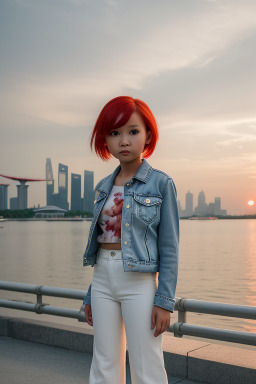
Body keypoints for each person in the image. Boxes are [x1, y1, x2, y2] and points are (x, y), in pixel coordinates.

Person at [82, 96, 179, 384]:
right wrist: (90, 293)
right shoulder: (102, 187)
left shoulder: (161, 183)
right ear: (105, 140)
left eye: (133, 131)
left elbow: (169, 248)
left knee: (146, 364)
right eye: (114, 133)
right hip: (102, 279)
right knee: (104, 363)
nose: (124, 141)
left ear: (148, 134)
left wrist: (165, 300)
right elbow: (102, 239)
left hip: (139, 283)